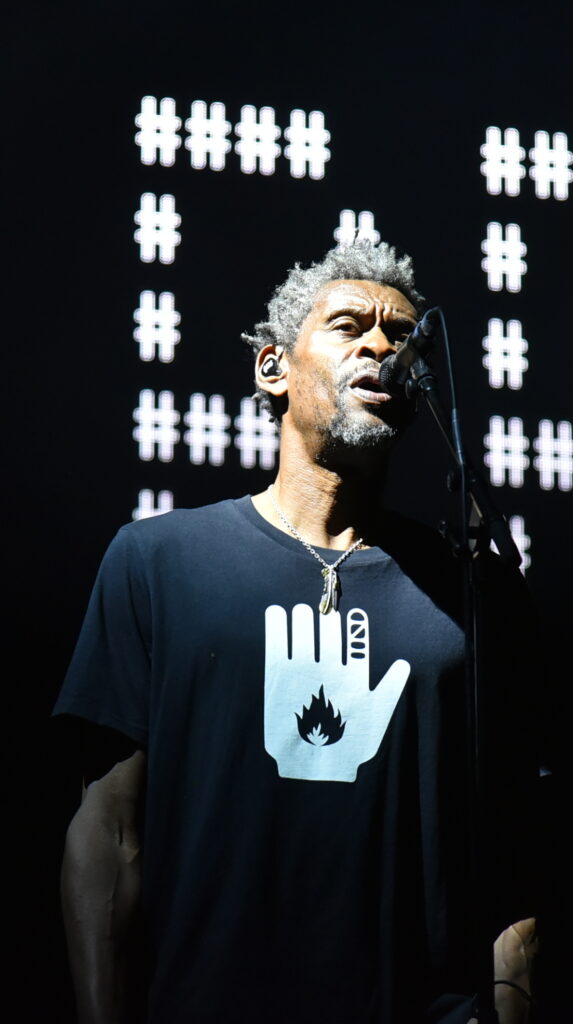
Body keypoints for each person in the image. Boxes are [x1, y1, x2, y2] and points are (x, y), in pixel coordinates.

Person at [54, 240, 540, 1024]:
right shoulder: (157, 562)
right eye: (350, 326)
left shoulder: (470, 593)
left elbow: (514, 869)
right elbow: (109, 831)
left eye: (401, 338)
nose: (381, 347)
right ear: (272, 368)